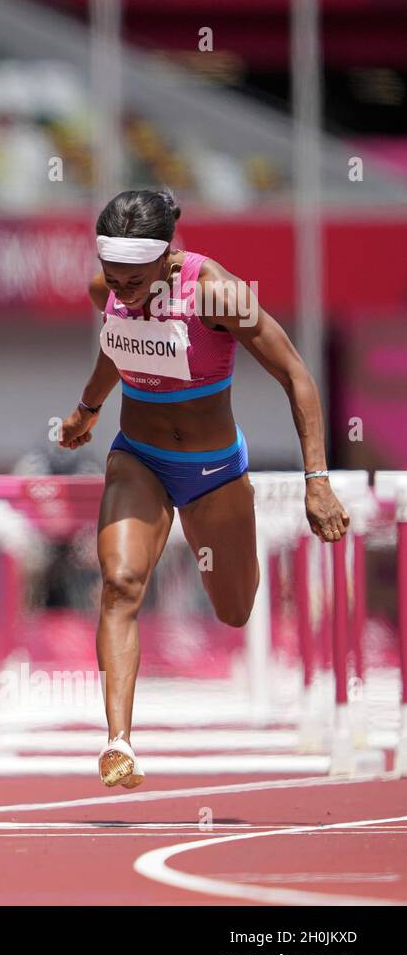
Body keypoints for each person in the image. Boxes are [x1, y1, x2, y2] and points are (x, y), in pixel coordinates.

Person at [57, 188, 348, 789]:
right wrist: (88, 410)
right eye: (112, 275)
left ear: (167, 258)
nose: (120, 288)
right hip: (138, 459)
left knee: (235, 609)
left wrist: (315, 480)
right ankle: (119, 743)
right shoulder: (108, 291)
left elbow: (296, 375)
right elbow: (119, 343)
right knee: (120, 583)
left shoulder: (217, 294)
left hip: (215, 473)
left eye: (134, 278)